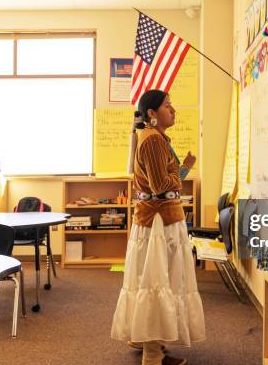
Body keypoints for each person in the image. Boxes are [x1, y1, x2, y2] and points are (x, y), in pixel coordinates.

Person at [111, 90, 205, 365]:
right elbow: (162, 186)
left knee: (155, 279)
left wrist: (183, 168)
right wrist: (180, 172)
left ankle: (143, 337)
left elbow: (167, 180)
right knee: (157, 281)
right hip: (158, 222)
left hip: (161, 218)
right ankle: (153, 353)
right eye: (167, 106)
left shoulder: (157, 138)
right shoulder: (152, 141)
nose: (173, 110)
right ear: (151, 114)